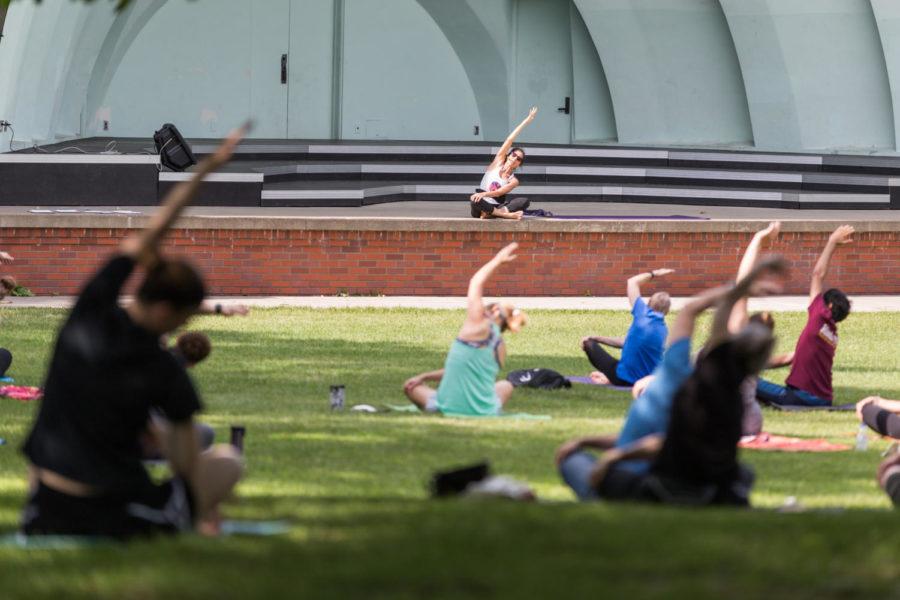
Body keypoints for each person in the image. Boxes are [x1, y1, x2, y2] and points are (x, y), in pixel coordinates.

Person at [20, 125, 249, 539]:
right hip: (117, 512)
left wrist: (206, 170)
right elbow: (184, 468)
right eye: (183, 318)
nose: (184, 326)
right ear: (165, 310)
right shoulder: (163, 369)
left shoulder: (88, 313)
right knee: (228, 462)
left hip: (45, 509)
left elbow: (153, 232)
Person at [557, 257, 786, 503]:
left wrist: (740, 289)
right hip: (692, 482)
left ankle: (603, 500)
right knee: (743, 474)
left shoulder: (683, 376)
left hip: (650, 485)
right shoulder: (732, 401)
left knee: (574, 461)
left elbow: (660, 443)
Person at [403, 243, 527, 416]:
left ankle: (448, 404)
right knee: (505, 385)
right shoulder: (501, 347)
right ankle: (481, 406)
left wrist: (498, 261)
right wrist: (425, 376)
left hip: (448, 406)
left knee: (411, 387)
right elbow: (461, 369)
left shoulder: (478, 324)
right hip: (486, 409)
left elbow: (475, 282)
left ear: (495, 311)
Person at [756, 225, 854, 407]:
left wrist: (832, 241)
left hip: (800, 397)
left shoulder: (819, 317)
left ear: (829, 306)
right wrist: (754, 366)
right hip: (824, 400)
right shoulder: (832, 335)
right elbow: (790, 358)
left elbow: (818, 275)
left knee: (744, 382)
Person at [581, 268, 673, 387]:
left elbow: (632, 281)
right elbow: (628, 343)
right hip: (645, 382)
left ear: (649, 303)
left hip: (621, 378)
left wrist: (654, 273)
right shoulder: (664, 331)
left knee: (587, 343)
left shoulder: (641, 311)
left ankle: (610, 378)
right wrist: (599, 338)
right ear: (667, 311)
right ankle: (609, 377)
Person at [469, 108, 538, 220]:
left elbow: (499, 192)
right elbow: (509, 139)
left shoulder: (514, 180)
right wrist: (526, 121)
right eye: (514, 155)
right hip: (480, 203)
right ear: (508, 155)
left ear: (518, 164)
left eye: (519, 159)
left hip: (496, 205)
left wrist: (484, 194)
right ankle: (503, 215)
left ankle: (491, 213)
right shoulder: (497, 162)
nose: (515, 158)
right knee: (474, 199)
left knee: (524, 202)